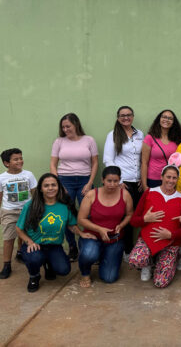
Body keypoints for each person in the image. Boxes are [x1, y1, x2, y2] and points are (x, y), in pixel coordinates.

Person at [15, 173, 91, 292]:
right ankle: (34, 276)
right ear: (41, 188)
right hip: (35, 244)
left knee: (64, 270)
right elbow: (19, 229)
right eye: (46, 185)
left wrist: (81, 233)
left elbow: (71, 225)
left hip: (54, 246)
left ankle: (48, 263)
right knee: (34, 258)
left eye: (53, 185)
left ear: (59, 187)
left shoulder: (64, 206)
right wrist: (29, 242)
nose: (50, 188)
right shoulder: (30, 206)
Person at [129, 155, 181, 287]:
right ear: (161, 177)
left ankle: (172, 258)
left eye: (174, 178)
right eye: (168, 177)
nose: (171, 180)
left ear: (177, 180)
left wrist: (171, 235)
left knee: (160, 282)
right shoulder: (149, 192)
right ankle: (149, 263)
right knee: (135, 260)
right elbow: (133, 221)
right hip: (148, 240)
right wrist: (145, 219)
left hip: (171, 243)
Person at [50, 113, 98, 261]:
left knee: (89, 214)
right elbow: (53, 164)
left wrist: (89, 183)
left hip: (85, 180)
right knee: (67, 215)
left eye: (68, 126)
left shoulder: (89, 140)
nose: (65, 129)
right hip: (65, 180)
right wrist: (59, 185)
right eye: (63, 127)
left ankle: (90, 245)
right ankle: (72, 247)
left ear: (76, 124)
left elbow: (95, 163)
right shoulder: (59, 141)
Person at [77, 166, 133, 287]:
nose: (112, 184)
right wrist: (99, 229)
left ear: (119, 180)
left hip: (114, 239)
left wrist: (121, 225)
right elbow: (81, 219)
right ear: (103, 180)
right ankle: (85, 273)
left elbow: (129, 214)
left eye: (116, 181)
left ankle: (106, 256)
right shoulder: (92, 194)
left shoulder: (125, 194)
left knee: (109, 278)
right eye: (109, 181)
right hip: (93, 237)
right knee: (89, 254)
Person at [103, 105, 144, 260]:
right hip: (123, 183)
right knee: (125, 217)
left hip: (138, 182)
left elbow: (142, 158)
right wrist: (118, 181)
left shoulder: (140, 134)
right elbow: (108, 160)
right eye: (122, 115)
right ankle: (126, 250)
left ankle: (138, 249)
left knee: (137, 217)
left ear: (133, 116)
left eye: (128, 115)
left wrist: (143, 178)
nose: (126, 118)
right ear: (118, 118)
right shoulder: (113, 135)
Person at [0, 149, 37, 279]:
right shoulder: (2, 178)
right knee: (9, 238)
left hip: (27, 210)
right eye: (16, 159)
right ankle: (6, 265)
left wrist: (36, 209)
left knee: (25, 233)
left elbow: (35, 194)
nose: (20, 161)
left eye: (21, 158)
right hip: (9, 211)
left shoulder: (28, 175)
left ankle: (20, 252)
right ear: (6, 163)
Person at [141, 109, 181, 190]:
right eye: (164, 117)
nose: (166, 120)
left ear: (173, 122)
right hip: (153, 180)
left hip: (171, 180)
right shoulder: (150, 138)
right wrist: (144, 185)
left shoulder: (177, 139)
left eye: (170, 118)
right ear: (159, 119)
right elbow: (144, 163)